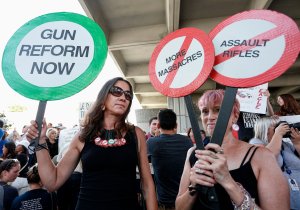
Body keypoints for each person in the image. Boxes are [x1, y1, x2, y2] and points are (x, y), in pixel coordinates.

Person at [26, 77, 157, 210]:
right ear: (103, 98)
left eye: (128, 95)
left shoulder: (136, 134)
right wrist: (40, 141)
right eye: (117, 91)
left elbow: (147, 185)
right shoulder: (83, 135)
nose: (123, 97)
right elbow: (52, 182)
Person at [176, 89, 289, 210]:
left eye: (218, 110)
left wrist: (228, 182)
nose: (210, 117)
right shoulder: (193, 153)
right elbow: (179, 207)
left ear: (235, 116)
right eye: (205, 111)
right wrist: (193, 187)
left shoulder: (261, 156)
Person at [249, 116, 300, 209]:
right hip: (280, 197)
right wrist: (278, 134)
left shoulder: (286, 145)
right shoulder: (255, 144)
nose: (282, 128)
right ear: (265, 129)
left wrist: (297, 143)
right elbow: (268, 156)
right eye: (276, 126)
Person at [147, 109, 193, 210]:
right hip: (186, 200)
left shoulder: (151, 142)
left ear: (158, 126)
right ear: (176, 125)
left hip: (165, 201)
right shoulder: (187, 141)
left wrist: (156, 136)